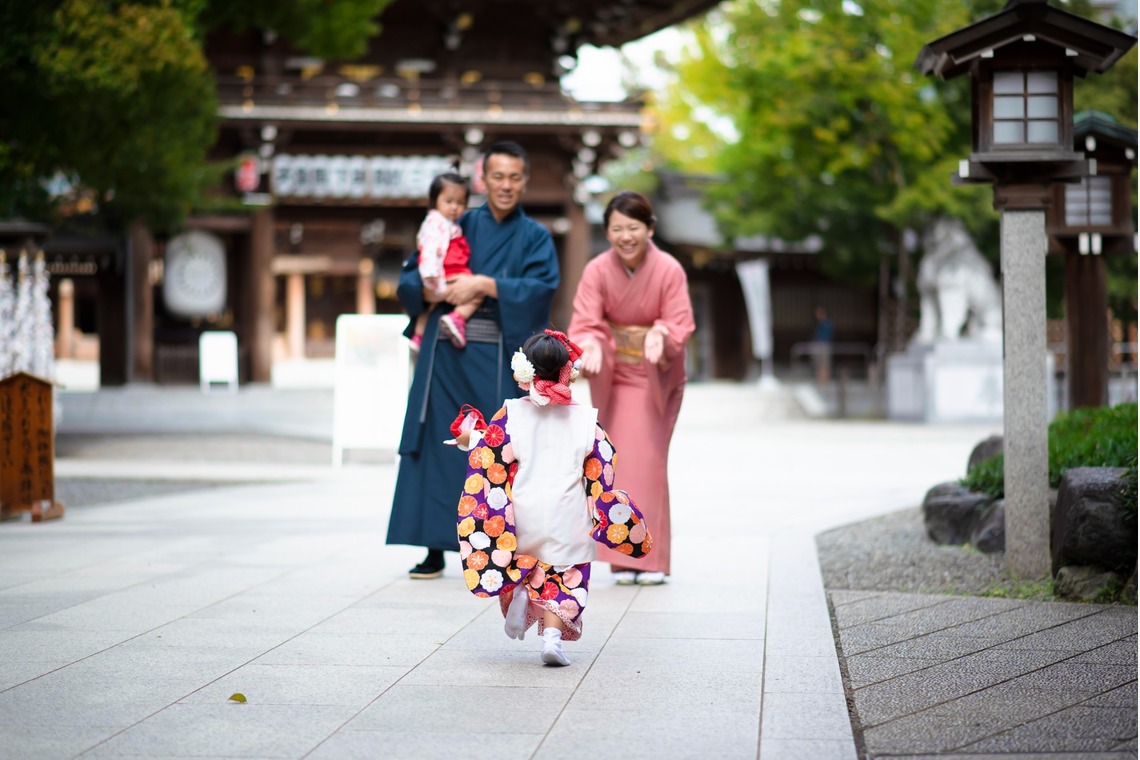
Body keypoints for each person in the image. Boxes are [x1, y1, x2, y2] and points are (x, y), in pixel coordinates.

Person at [388, 141, 560, 579]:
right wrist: (434, 290)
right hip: (445, 354)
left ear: (525, 180)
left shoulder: (536, 236)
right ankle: (433, 545)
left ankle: (495, 546)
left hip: (499, 355)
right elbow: (412, 275)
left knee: (497, 449)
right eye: (497, 176)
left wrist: (485, 284)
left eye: (515, 177)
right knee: (438, 446)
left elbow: (541, 289)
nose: (505, 185)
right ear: (482, 178)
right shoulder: (455, 220)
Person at [451, 331, 652, 666]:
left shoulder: (512, 414)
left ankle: (519, 593)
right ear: (568, 370)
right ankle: (552, 638)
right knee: (566, 578)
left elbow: (491, 451)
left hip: (524, 511)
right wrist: (601, 507)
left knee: (527, 563)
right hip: (569, 515)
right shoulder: (586, 420)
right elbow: (602, 465)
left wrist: (467, 439)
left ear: (524, 372)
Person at [568, 191, 695, 586]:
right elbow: (585, 321)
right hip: (615, 376)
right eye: (617, 228)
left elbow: (679, 321)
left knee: (650, 462)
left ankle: (652, 559)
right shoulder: (596, 270)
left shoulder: (669, 269)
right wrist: (589, 343)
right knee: (615, 464)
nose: (626, 236)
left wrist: (662, 335)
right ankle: (624, 557)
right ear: (606, 231)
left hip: (655, 376)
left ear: (650, 229)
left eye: (634, 227)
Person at [409, 173, 482, 352]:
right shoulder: (437, 223)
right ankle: (458, 317)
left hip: (440, 272)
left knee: (430, 305)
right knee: (477, 292)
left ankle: (418, 336)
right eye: (448, 201)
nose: (454, 207)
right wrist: (432, 276)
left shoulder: (445, 222)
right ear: (435, 200)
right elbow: (430, 249)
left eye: (460, 203)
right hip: (446, 271)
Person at [811, 305, 833, 387]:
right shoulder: (819, 324)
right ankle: (820, 380)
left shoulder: (826, 324)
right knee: (819, 364)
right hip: (818, 346)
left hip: (824, 346)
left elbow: (826, 336)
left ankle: (824, 380)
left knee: (824, 364)